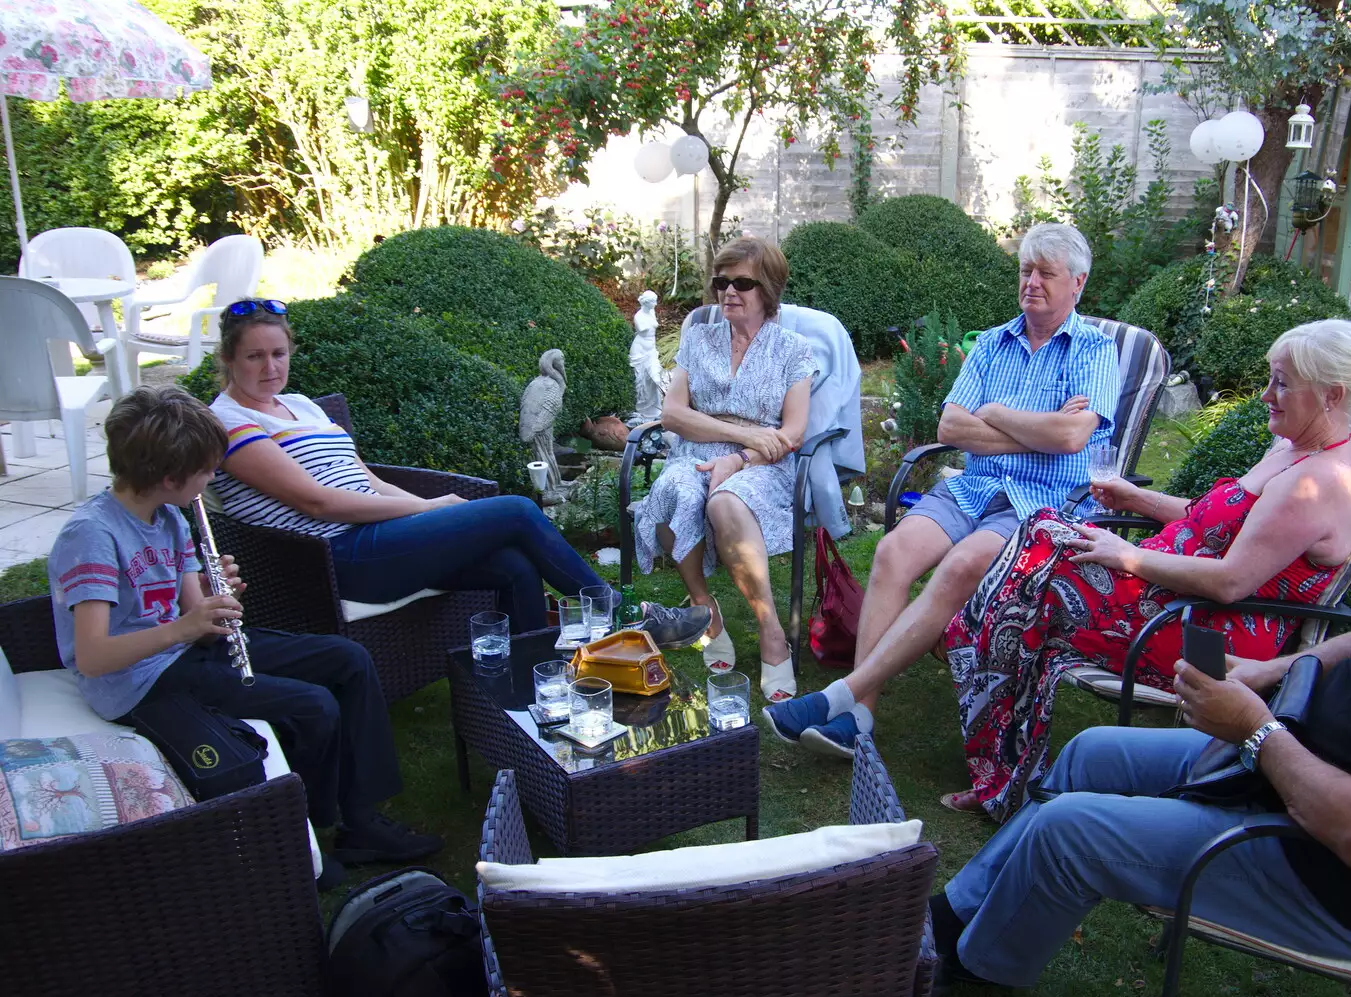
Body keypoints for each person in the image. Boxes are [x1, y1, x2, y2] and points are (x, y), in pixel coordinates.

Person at [929, 398, 1351, 996]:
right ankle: (951, 917)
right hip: (1290, 782)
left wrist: (1255, 732)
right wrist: (1273, 670)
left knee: (1066, 831)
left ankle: (971, 965)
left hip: (1338, 881)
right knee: (1091, 752)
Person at [936, 319, 1351, 819]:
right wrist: (1137, 497)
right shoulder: (1293, 446)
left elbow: (1231, 580)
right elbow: (1220, 520)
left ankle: (971, 660)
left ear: (1331, 395)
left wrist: (1124, 555)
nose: (1265, 396)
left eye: (1282, 383)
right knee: (1042, 548)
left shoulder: (1317, 484)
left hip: (1204, 630)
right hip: (1169, 594)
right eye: (1270, 378)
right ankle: (999, 743)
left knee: (1040, 571)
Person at [46, 386, 442, 890]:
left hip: (183, 647)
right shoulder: (93, 536)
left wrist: (214, 593)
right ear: (169, 477)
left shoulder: (168, 514)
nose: (212, 479)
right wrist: (187, 626)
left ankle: (361, 818)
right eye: (206, 472)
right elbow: (94, 656)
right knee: (313, 706)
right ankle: (313, 828)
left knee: (348, 658)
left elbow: (192, 608)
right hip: (137, 681)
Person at [763, 222, 1120, 756]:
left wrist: (995, 415)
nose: (1032, 283)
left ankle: (845, 698)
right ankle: (862, 715)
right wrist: (1033, 427)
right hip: (974, 486)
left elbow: (1071, 437)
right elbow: (950, 428)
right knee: (892, 552)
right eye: (1026, 271)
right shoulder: (994, 344)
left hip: (1044, 506)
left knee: (958, 567)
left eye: (1046, 273)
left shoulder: (1094, 350)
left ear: (1078, 283)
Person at [206, 299, 708, 646]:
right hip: (333, 559)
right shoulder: (228, 422)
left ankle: (528, 689)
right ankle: (620, 615)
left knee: (514, 564)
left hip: (379, 537)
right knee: (515, 511)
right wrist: (427, 508)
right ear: (229, 359)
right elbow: (317, 502)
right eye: (254, 356)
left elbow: (366, 480)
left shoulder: (302, 407)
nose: (270, 366)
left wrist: (415, 516)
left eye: (279, 353)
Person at [632, 237, 817, 703]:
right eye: (721, 282)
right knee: (677, 489)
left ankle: (771, 631)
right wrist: (744, 433)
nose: (729, 291)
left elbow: (791, 433)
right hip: (700, 450)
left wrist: (741, 455)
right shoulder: (699, 337)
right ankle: (704, 607)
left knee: (726, 501)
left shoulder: (793, 349)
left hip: (764, 462)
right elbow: (673, 414)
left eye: (743, 283)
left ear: (769, 289)